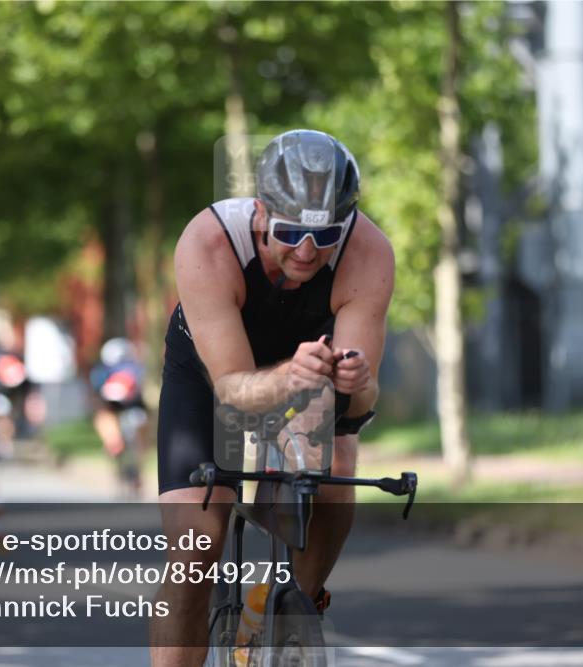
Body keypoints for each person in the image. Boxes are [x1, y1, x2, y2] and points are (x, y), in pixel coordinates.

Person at [150, 129, 393, 666]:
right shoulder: (208, 242)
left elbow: (354, 408)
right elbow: (234, 388)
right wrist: (290, 378)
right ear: (261, 212)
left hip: (310, 373)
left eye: (326, 235)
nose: (307, 251)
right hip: (213, 371)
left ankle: (290, 610)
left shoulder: (368, 252)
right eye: (289, 233)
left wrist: (357, 384)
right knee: (195, 552)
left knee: (333, 486)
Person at [90, 337, 148, 499]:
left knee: (138, 432)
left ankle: (135, 472)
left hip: (133, 409)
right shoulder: (102, 372)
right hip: (111, 410)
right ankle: (118, 461)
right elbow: (98, 397)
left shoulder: (136, 369)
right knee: (112, 437)